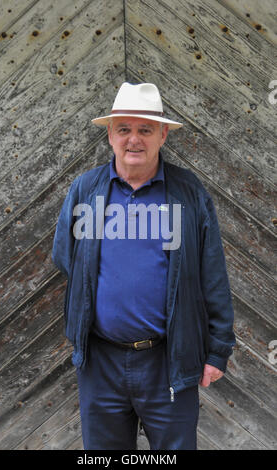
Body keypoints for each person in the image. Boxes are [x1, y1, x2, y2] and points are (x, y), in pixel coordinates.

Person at [52, 82, 236, 450]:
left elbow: (212, 274)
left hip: (168, 360)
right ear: (110, 135)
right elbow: (66, 256)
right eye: (124, 129)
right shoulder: (86, 190)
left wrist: (217, 351)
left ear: (163, 135)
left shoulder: (188, 193)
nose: (133, 140)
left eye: (145, 129)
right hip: (99, 362)